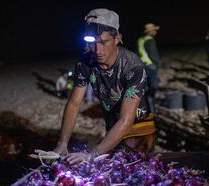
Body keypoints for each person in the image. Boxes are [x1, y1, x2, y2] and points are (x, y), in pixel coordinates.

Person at [54, 8, 156, 163]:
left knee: (132, 169)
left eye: (103, 42)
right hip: (112, 126)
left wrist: (92, 154)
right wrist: (62, 143)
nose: (97, 50)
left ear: (117, 38)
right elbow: (74, 103)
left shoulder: (133, 66)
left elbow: (126, 120)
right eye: (92, 42)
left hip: (138, 129)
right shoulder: (85, 62)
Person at [137, 23, 161, 114]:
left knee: (145, 87)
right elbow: (153, 55)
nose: (155, 32)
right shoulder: (150, 40)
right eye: (154, 30)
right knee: (153, 87)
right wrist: (157, 65)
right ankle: (152, 109)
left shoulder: (140, 40)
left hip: (142, 66)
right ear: (150, 32)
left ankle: (147, 107)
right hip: (150, 66)